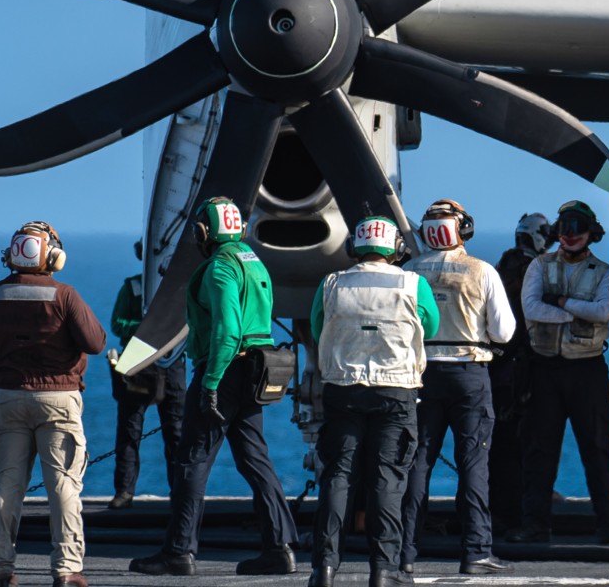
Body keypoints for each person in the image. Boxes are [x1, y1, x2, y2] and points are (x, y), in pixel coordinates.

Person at [130, 198, 298, 577]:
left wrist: (209, 384)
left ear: (205, 231)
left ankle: (178, 552)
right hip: (256, 372)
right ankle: (280, 547)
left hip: (224, 371)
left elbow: (227, 331)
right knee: (256, 460)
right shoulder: (254, 262)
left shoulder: (220, 267)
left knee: (192, 461)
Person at [0, 221, 105, 587]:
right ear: (53, 257)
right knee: (63, 488)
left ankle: (0, 569)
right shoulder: (66, 295)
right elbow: (95, 342)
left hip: (10, 400)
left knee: (4, 487)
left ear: (12, 255)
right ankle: (68, 570)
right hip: (59, 400)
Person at [307, 216, 439, 587]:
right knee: (388, 479)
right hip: (396, 391)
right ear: (395, 248)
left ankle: (324, 568)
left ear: (355, 247)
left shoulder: (332, 283)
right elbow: (428, 328)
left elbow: (320, 329)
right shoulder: (414, 284)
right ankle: (384, 570)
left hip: (343, 389)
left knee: (338, 476)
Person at [400, 200, 514, 576]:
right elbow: (504, 331)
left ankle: (405, 552)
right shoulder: (481, 271)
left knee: (418, 462)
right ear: (463, 229)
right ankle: (476, 551)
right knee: (473, 464)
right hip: (469, 373)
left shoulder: (409, 272)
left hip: (421, 375)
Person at [507, 201, 609, 544]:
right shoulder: (539, 267)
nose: (570, 235)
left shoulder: (604, 273)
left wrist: (560, 303)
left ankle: (607, 527)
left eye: (578, 229)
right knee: (538, 451)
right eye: (565, 228)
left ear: (591, 234)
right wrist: (575, 314)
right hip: (544, 369)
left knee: (597, 448)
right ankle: (535, 525)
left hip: (587, 371)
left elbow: (603, 312)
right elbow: (531, 308)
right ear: (557, 232)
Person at [487, 213, 552, 532]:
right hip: (521, 371)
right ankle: (518, 511)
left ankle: (502, 509)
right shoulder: (532, 270)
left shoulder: (502, 267)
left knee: (502, 445)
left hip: (499, 369)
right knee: (523, 443)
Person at [107, 273, 186, 509]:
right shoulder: (132, 286)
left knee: (177, 433)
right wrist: (150, 328)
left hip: (171, 363)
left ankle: (180, 492)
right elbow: (117, 323)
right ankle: (124, 491)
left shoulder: (179, 288)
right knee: (129, 431)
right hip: (138, 364)